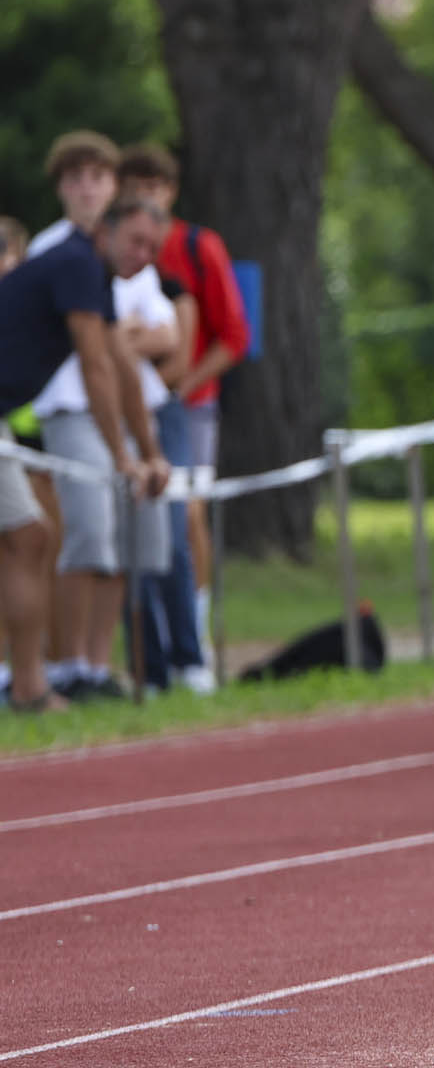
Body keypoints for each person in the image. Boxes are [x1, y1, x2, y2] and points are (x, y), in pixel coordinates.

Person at [0, 199, 172, 714]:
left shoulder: (93, 277)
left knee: (27, 538)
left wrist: (151, 454)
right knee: (29, 537)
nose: (143, 256)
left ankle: (28, 686)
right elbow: (95, 367)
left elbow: (121, 365)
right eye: (136, 242)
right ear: (105, 231)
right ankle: (29, 688)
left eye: (153, 249)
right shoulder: (77, 264)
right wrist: (122, 457)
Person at [115, 144, 228, 692]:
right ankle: (148, 663)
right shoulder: (101, 274)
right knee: (134, 538)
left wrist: (159, 381)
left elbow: (189, 346)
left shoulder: (189, 263)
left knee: (181, 523)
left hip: (176, 409)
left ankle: (191, 649)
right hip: (121, 416)